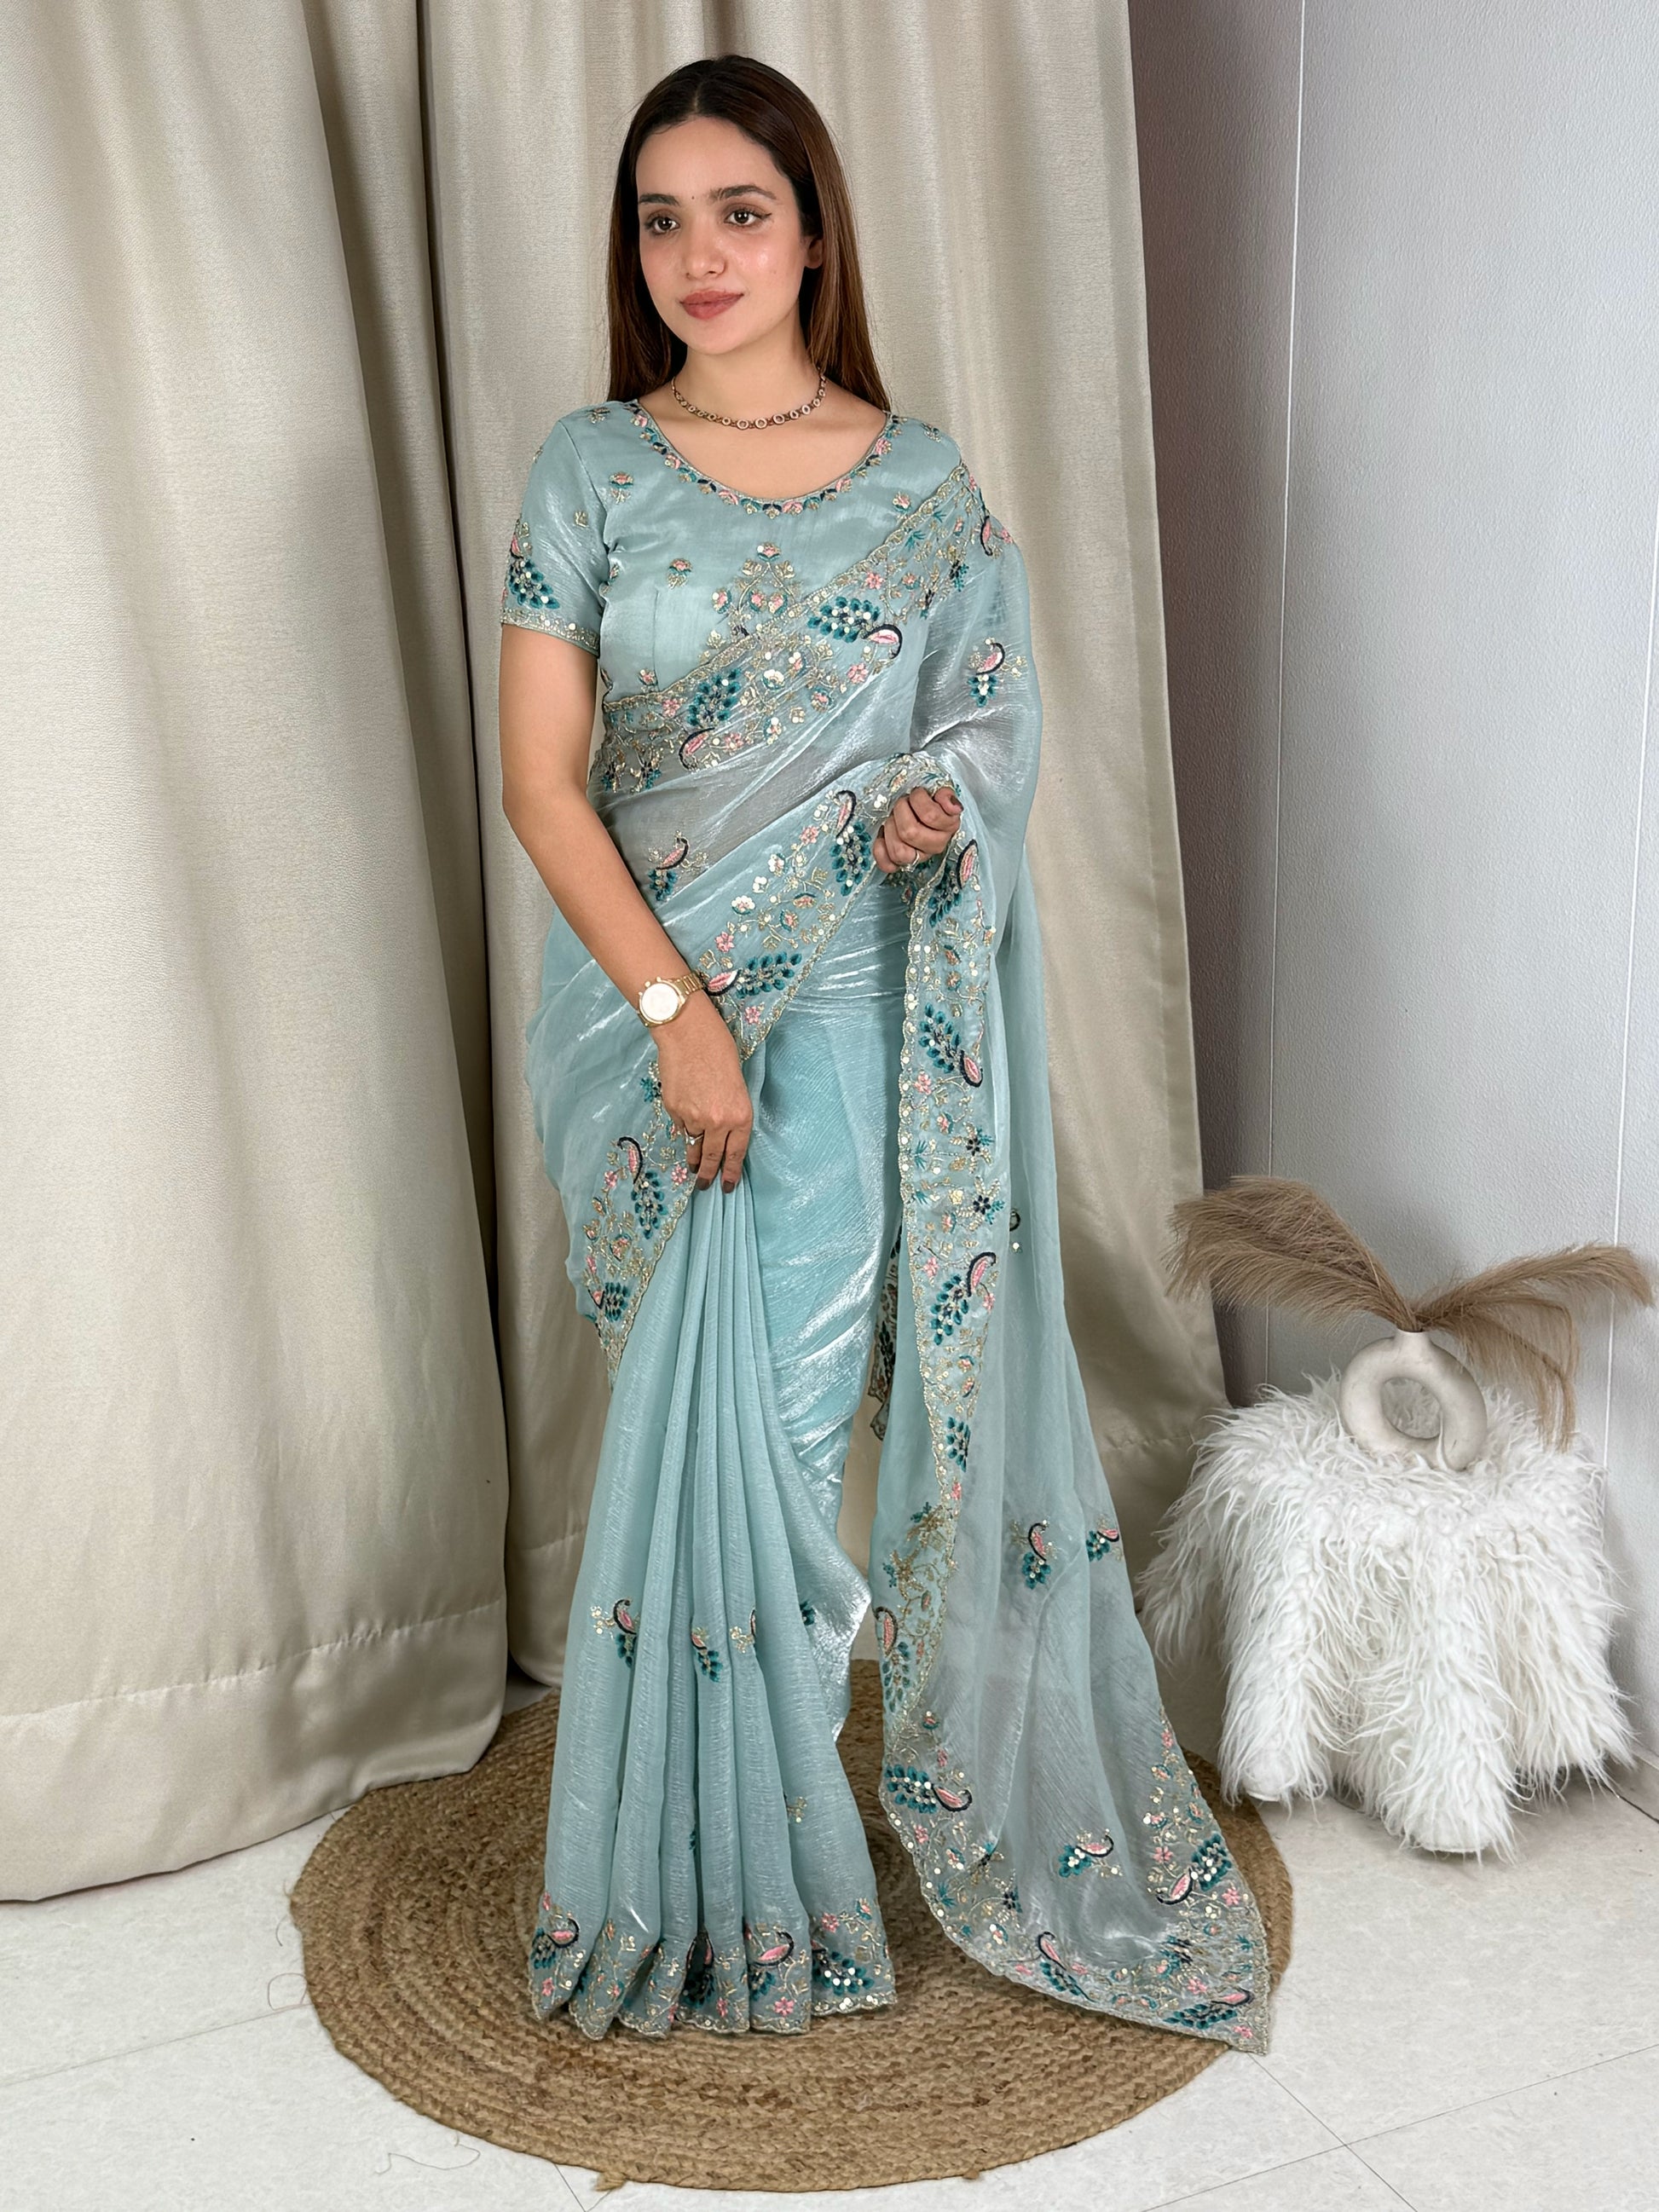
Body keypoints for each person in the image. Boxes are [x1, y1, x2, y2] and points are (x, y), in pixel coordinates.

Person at [497, 54, 1272, 2047]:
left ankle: (761, 1892)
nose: (697, 256)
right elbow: (543, 783)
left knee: (768, 1454)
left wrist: (931, 810)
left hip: (843, 1025)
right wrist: (677, 1017)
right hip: (642, 1025)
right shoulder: (589, 467)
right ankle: (675, 1874)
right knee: (675, 1438)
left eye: (739, 212)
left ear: (815, 232)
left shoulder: (924, 485)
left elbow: (986, 732)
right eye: (660, 219)